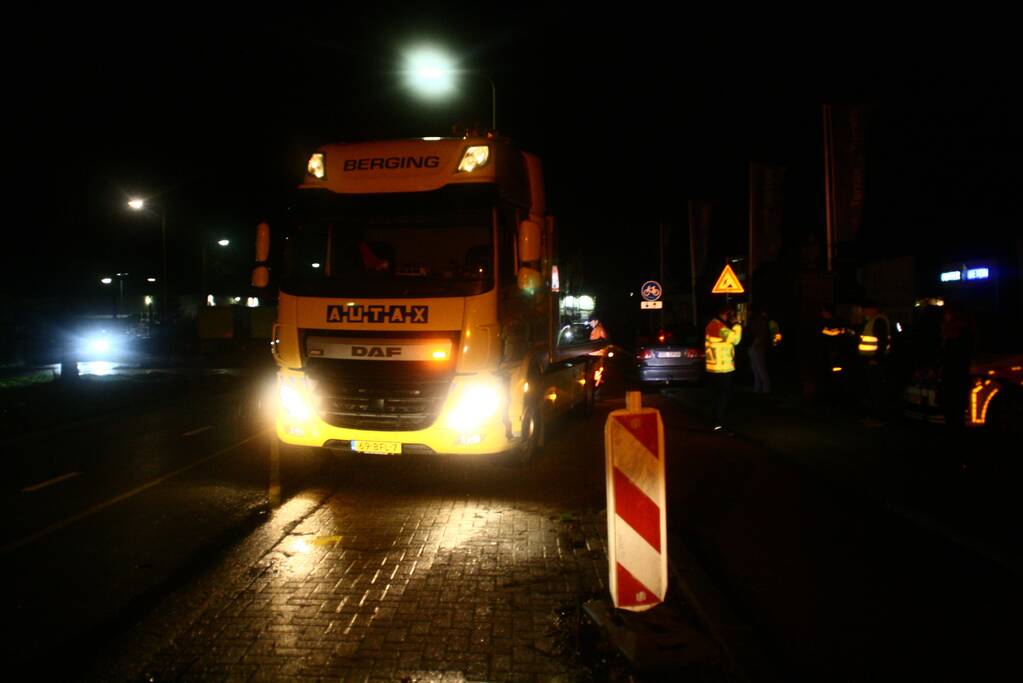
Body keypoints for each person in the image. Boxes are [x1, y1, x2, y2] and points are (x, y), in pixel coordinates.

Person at [705, 302, 743, 434]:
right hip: (722, 368)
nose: (731, 317)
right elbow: (736, 339)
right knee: (723, 397)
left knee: (717, 397)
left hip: (715, 368)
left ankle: (716, 423)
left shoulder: (713, 324)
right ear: (727, 313)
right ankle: (719, 424)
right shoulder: (718, 327)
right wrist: (737, 324)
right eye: (730, 314)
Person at [858, 300, 890, 425]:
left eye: (865, 309)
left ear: (873, 309)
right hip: (871, 360)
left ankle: (878, 418)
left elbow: (882, 342)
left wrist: (876, 359)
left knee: (875, 389)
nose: (864, 312)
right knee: (873, 389)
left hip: (875, 361)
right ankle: (875, 416)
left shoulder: (878, 321)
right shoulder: (873, 321)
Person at [748, 304, 779, 394]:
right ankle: (759, 390)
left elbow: (761, 334)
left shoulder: (759, 320)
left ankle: (765, 391)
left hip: (756, 347)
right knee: (757, 370)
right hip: (755, 346)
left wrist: (754, 345)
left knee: (760, 370)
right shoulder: (758, 320)